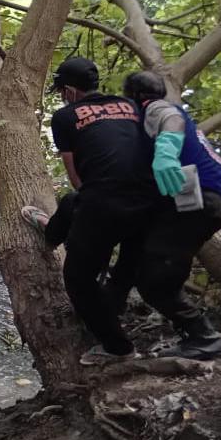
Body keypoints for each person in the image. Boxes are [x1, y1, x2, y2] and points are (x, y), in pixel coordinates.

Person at [46, 56, 162, 365]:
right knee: (125, 267)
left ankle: (117, 347)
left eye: (61, 91)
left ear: (69, 91)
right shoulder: (131, 106)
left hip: (106, 201)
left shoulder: (65, 117)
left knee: (77, 277)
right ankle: (109, 312)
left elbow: (77, 178)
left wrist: (89, 223)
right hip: (153, 199)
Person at [123, 70, 221, 359]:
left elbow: (169, 121)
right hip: (210, 200)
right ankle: (198, 335)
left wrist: (166, 152)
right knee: (158, 270)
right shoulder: (167, 115)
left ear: (133, 98)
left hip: (203, 200)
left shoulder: (156, 109)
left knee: (154, 280)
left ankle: (204, 337)